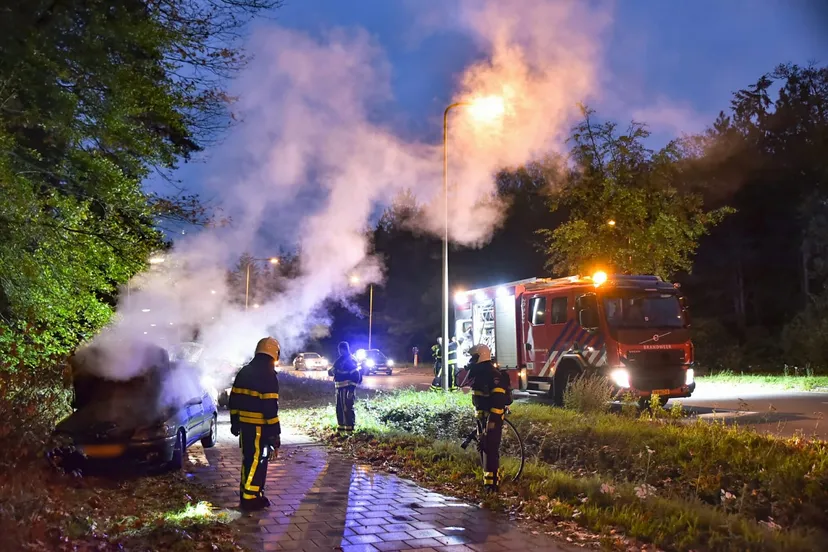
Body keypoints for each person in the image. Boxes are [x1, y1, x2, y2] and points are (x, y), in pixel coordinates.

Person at [229, 337, 282, 512]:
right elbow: (270, 407)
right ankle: (250, 498)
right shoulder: (268, 375)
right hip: (260, 427)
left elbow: (234, 400)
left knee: (249, 459)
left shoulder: (244, 371)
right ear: (273, 354)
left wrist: (235, 422)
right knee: (257, 460)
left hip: (245, 426)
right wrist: (275, 433)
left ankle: (252, 493)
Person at [466, 343, 511, 492]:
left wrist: (491, 424)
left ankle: (492, 486)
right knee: (484, 450)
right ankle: (487, 483)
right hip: (483, 421)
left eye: (474, 357)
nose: (471, 361)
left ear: (481, 356)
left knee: (490, 451)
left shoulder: (493, 376)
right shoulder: (481, 374)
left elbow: (498, 402)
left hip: (492, 421)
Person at [328, 341, 362, 432]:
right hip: (339, 388)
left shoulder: (351, 360)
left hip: (347, 388)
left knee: (347, 408)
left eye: (340, 349)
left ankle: (350, 429)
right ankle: (341, 429)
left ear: (344, 349)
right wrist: (332, 371)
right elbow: (331, 371)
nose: (339, 351)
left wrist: (351, 390)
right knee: (339, 408)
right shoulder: (340, 360)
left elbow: (356, 375)